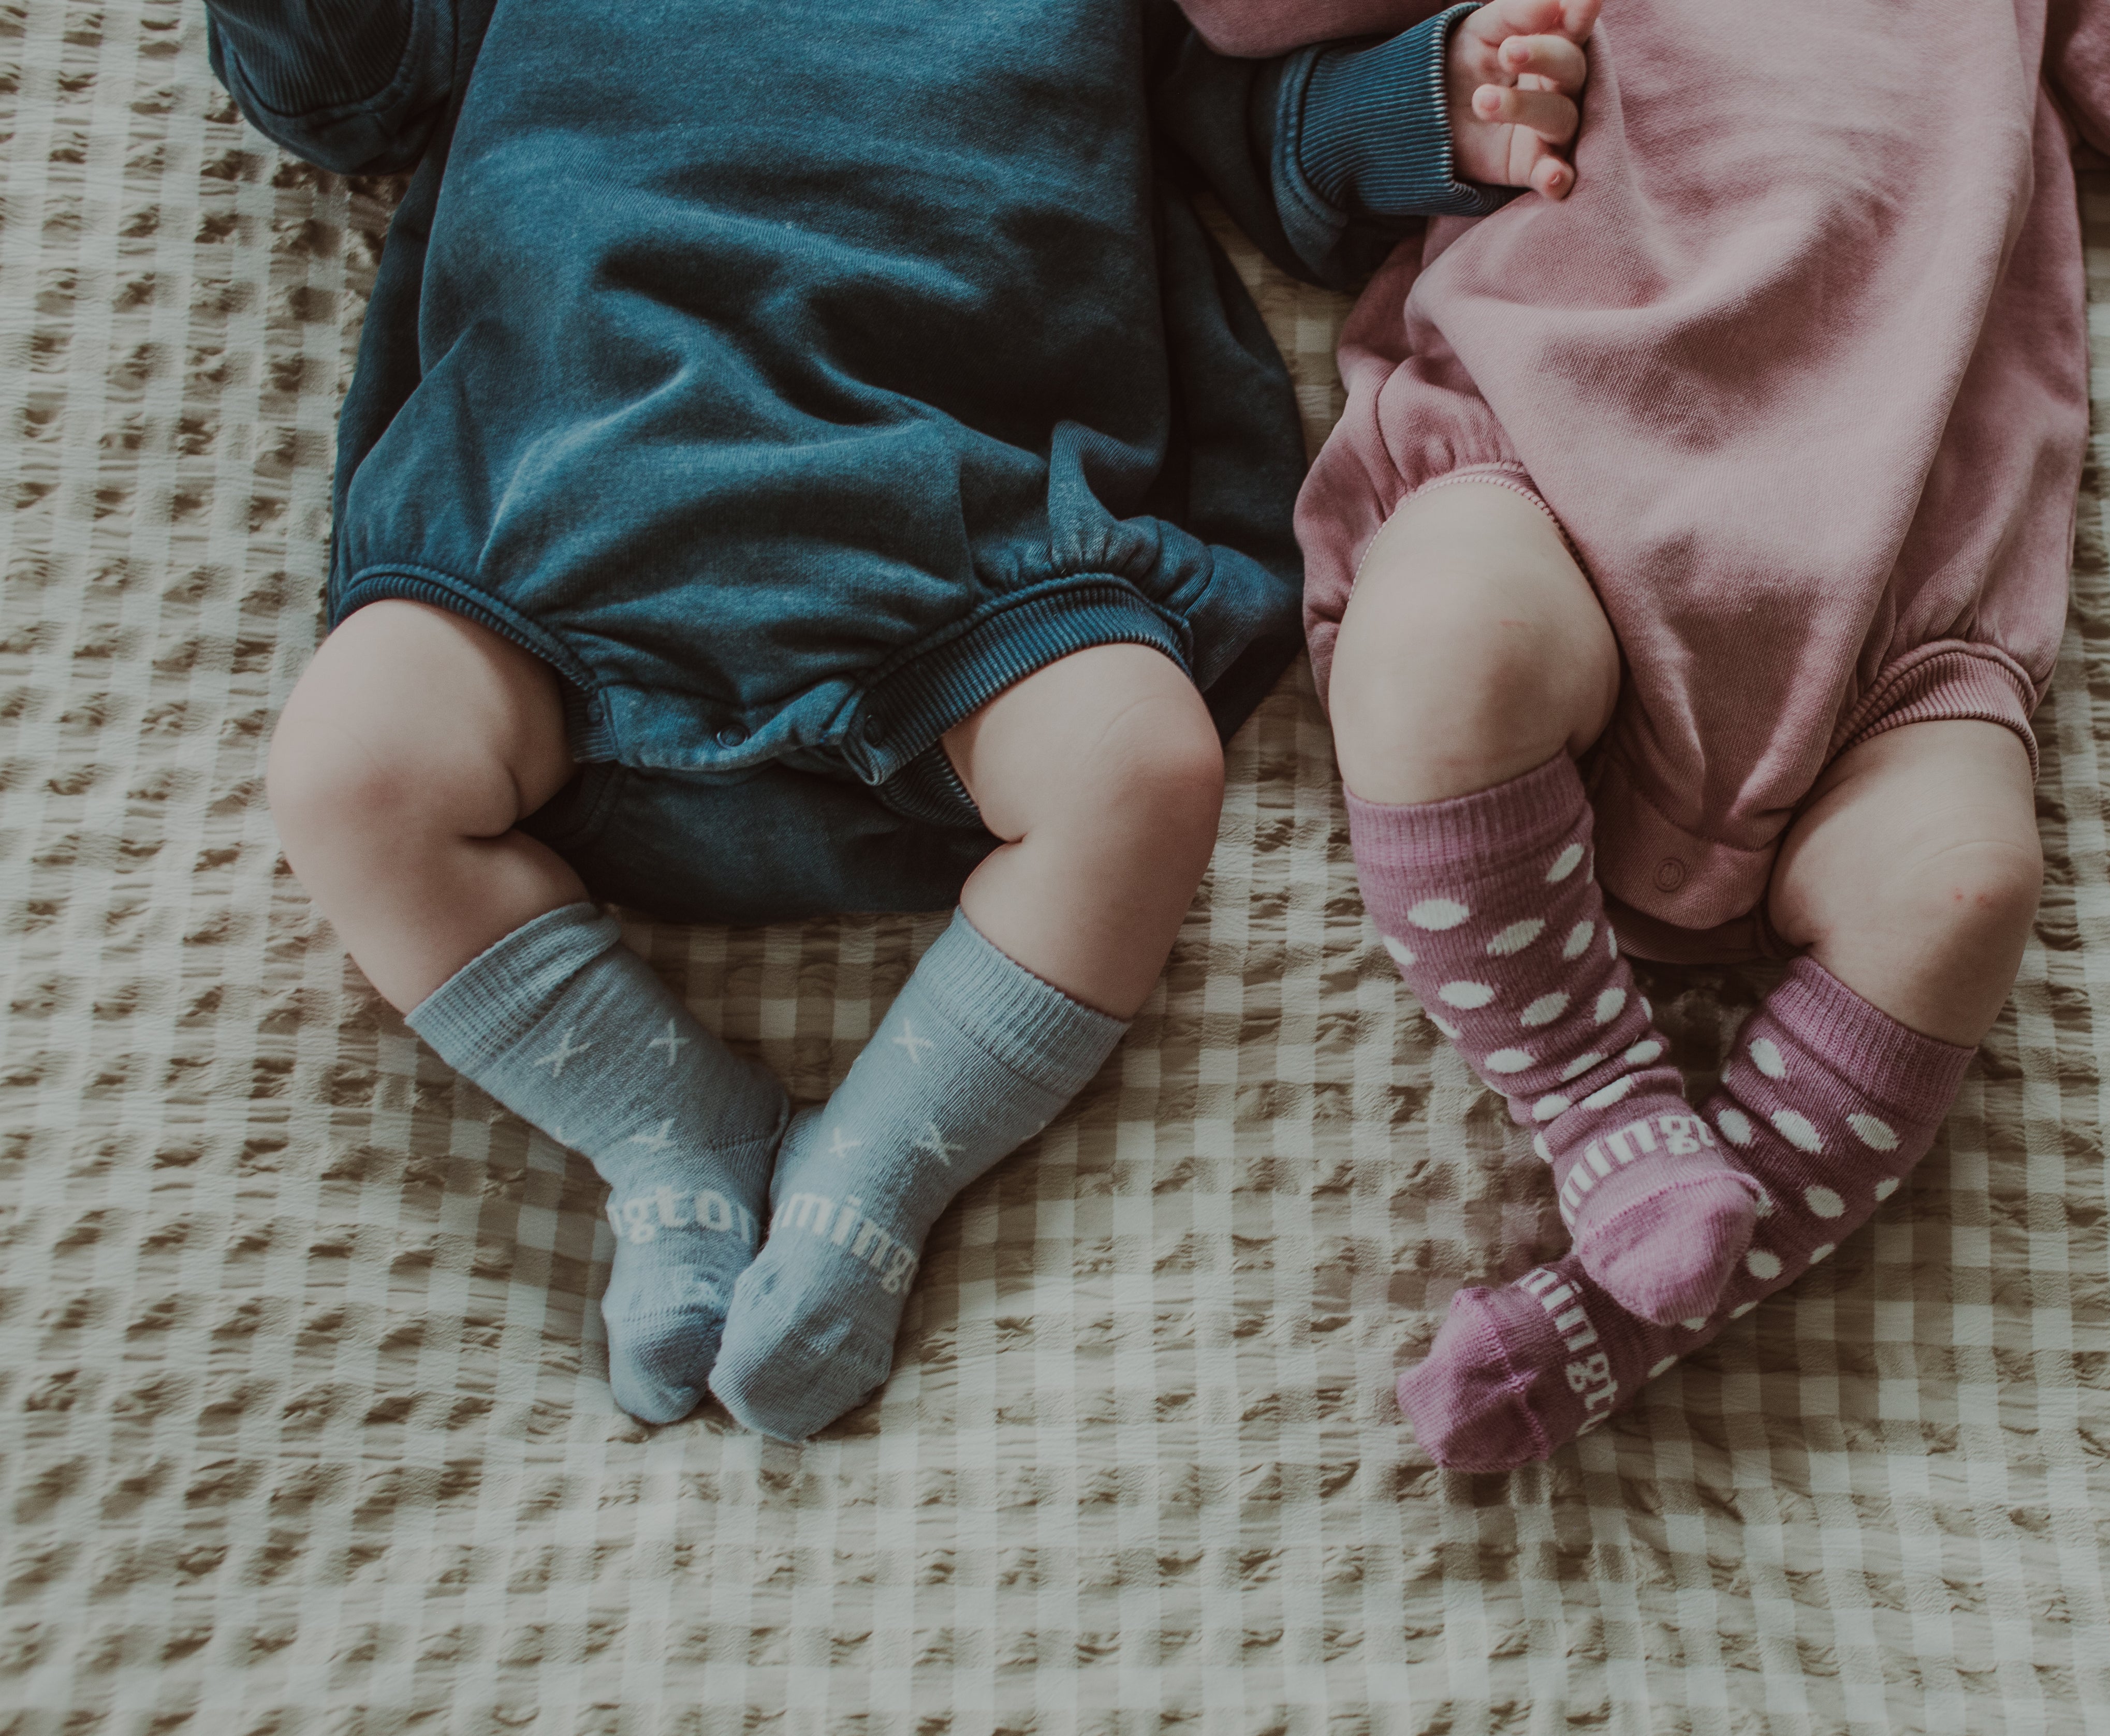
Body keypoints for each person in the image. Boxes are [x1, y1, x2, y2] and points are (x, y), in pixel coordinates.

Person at [208, 0, 1596, 1439]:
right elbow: (340, 97)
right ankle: (666, 1126)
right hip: (555, 493)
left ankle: (878, 1170)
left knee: (1141, 764)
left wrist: (1432, 103)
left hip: (966, 510)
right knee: (350, 770)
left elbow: (1259, 122)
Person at [1185, 0, 2110, 1469]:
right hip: (1561, 444)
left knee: (1962, 891)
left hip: (1910, 568)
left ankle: (1641, 1300)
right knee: (1445, 648)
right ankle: (1600, 1105)